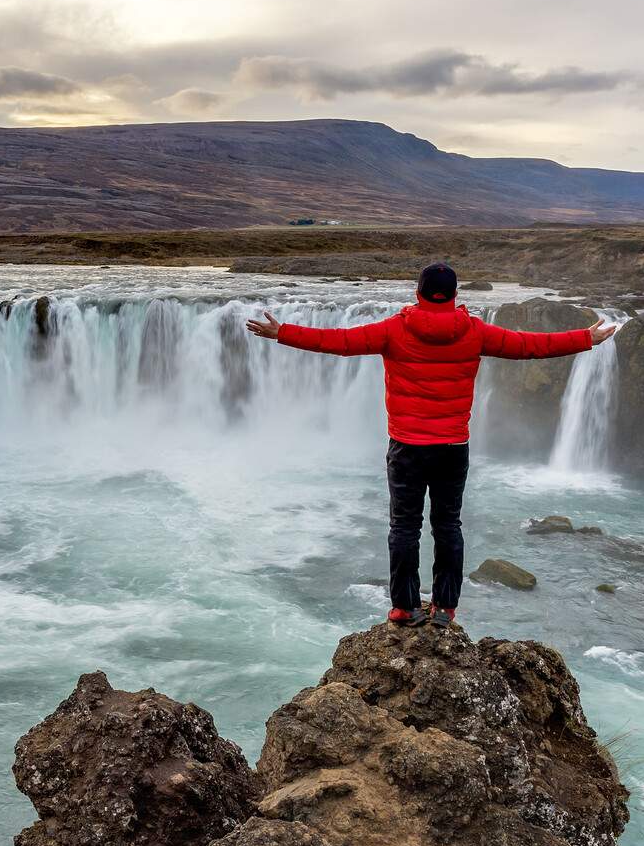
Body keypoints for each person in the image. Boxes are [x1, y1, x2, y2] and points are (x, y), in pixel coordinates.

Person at [245, 262, 616, 629]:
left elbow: (340, 343)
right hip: (453, 447)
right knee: (448, 525)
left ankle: (405, 607)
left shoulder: (394, 329)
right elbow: (530, 346)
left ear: (418, 293)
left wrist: (284, 333)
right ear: (455, 296)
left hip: (407, 446)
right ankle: (445, 608)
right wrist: (586, 338)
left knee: (405, 528)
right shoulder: (475, 332)